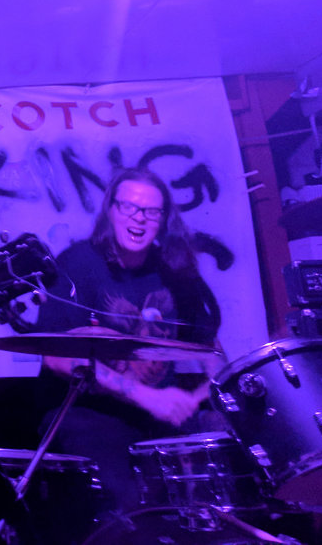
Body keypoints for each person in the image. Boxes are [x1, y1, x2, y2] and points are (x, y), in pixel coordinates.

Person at [33, 167, 226, 515]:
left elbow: (208, 345)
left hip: (158, 413)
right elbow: (56, 357)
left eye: (151, 211)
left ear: (163, 219)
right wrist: (147, 396)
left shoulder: (174, 269)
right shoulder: (78, 263)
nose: (139, 218)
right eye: (129, 207)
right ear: (111, 210)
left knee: (222, 480)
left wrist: (211, 395)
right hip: (89, 413)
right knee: (129, 506)